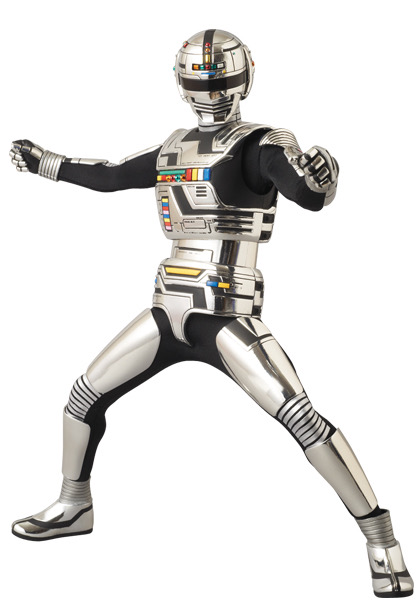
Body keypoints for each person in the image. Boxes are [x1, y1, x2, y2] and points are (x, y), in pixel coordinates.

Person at [9, 29, 413, 598]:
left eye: (221, 81)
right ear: (184, 85)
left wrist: (324, 179)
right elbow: (111, 174)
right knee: (82, 397)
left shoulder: (262, 145)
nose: (213, 93)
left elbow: (306, 194)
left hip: (227, 315)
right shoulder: (173, 148)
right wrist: (45, 162)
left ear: (243, 81)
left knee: (302, 419)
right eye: (203, 83)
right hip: (168, 307)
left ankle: (381, 539)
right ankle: (74, 504)